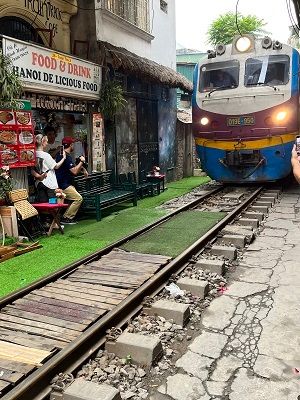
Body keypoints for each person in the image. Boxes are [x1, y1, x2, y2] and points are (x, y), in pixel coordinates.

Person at [55, 136, 88, 224]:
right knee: (78, 198)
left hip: (65, 183)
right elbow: (74, 171)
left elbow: (71, 168)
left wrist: (83, 169)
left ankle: (67, 216)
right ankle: (66, 218)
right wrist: (82, 161)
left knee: (75, 195)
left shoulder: (61, 154)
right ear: (71, 145)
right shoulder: (66, 156)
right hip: (63, 185)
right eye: (73, 144)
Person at [32, 134, 66, 203]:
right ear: (43, 142)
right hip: (49, 182)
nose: (47, 144)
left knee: (42, 204)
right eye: (46, 142)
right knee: (52, 204)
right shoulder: (46, 155)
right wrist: (63, 158)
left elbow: (31, 169)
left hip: (38, 182)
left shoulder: (33, 154)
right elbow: (56, 166)